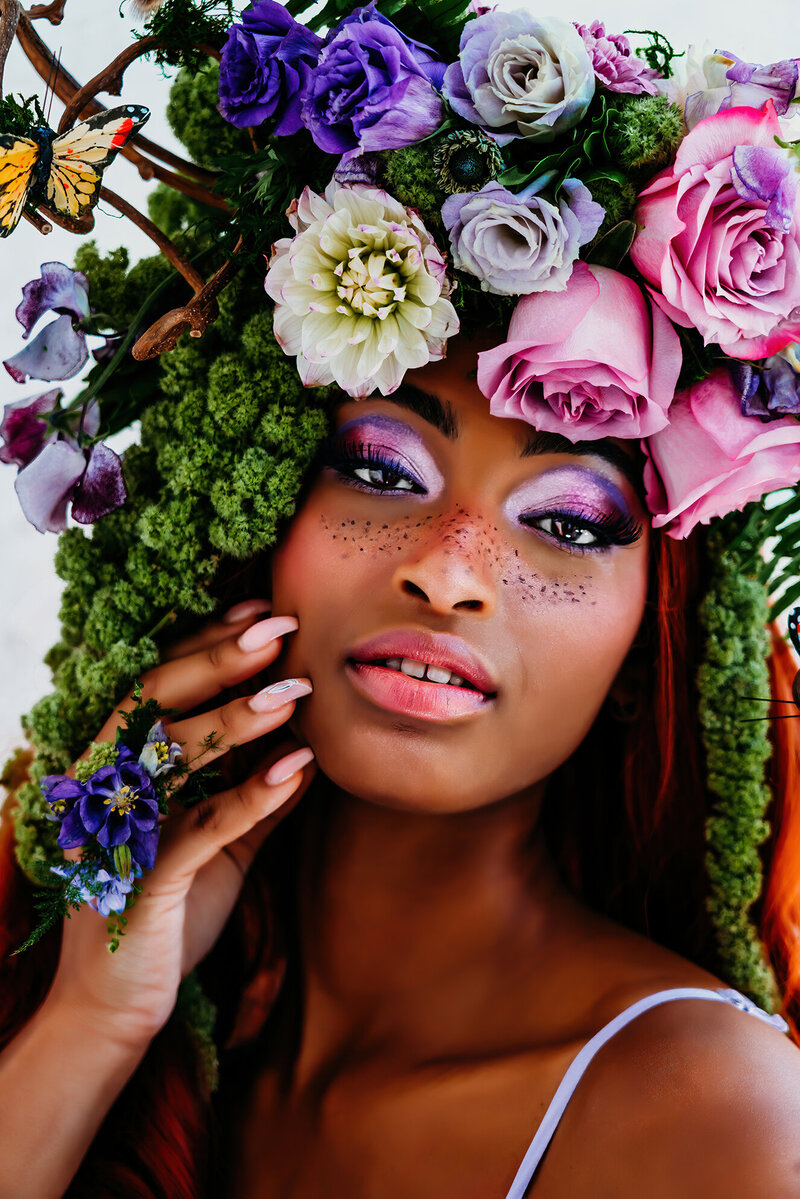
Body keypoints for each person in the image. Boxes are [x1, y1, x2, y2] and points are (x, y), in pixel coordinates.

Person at [1, 2, 800, 1197]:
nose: (450, 566)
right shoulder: (103, 988)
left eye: (568, 523)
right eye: (379, 468)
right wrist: (93, 1019)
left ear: (652, 637)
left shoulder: (706, 1114)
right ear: (246, 512)